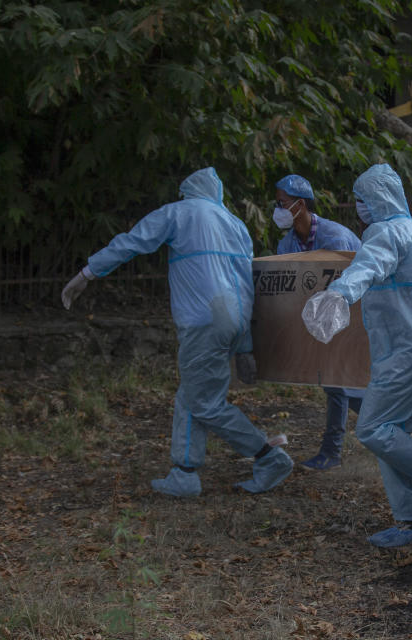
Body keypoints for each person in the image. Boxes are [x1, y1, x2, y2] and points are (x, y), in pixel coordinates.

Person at [61, 167, 293, 497]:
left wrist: (87, 272)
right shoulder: (235, 224)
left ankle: (268, 456)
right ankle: (184, 473)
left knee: (206, 403)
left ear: (188, 192)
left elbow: (132, 242)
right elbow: (246, 284)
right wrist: (244, 344)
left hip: (203, 320)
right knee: (191, 394)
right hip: (233, 318)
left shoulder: (179, 213)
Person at [302, 163, 412, 548]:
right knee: (394, 433)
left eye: (361, 199)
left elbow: (367, 267)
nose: (359, 206)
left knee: (372, 429)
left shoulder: (385, 233)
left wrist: (339, 294)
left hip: (402, 349)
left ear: (376, 199)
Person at [272, 174, 365, 471]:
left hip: (351, 311)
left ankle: (332, 451)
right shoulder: (286, 245)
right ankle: (388, 425)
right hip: (319, 318)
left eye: (282, 203)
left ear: (300, 205)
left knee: (336, 381)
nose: (278, 209)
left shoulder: (334, 238)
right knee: (341, 382)